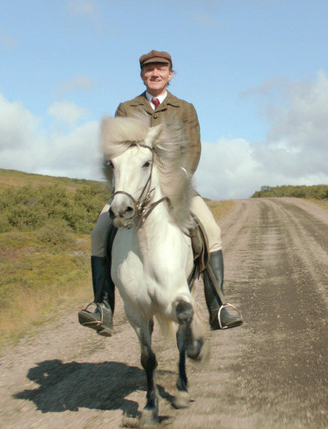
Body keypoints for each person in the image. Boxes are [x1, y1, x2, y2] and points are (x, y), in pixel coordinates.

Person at [78, 50, 244, 336]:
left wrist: (178, 178)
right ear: (142, 74)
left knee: (212, 231)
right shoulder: (126, 108)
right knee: (98, 234)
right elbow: (114, 149)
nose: (155, 73)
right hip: (133, 188)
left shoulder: (185, 108)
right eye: (149, 69)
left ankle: (219, 306)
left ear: (170, 74)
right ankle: (102, 306)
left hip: (175, 185)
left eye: (161, 69)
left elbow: (193, 148)